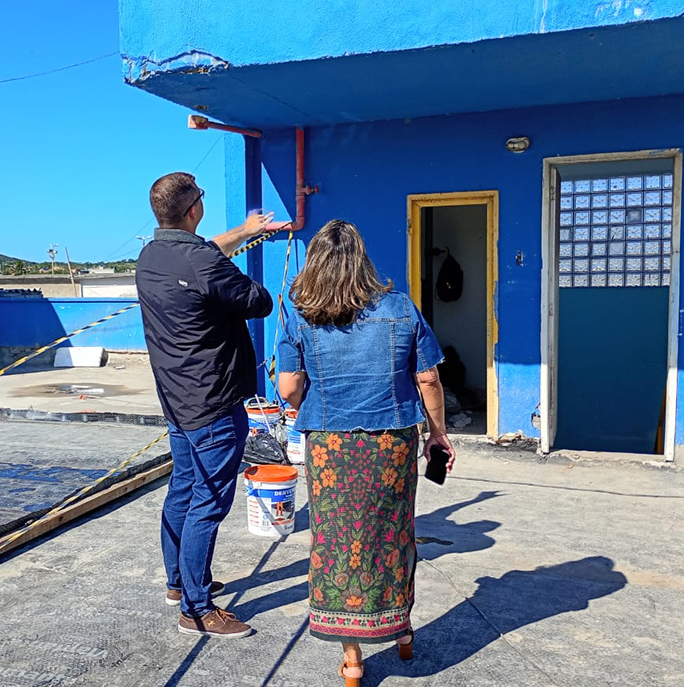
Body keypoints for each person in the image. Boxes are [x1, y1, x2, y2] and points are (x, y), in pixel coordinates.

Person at [276, 219, 455, 685]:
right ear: (363, 260)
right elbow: (429, 378)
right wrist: (437, 433)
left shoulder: (300, 312)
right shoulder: (399, 308)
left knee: (335, 541)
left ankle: (352, 660)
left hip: (329, 445)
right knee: (393, 535)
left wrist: (308, 409)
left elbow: (288, 386)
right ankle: (402, 633)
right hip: (391, 443)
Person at [136, 172, 274, 639]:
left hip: (177, 400)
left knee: (183, 488)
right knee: (208, 503)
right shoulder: (203, 263)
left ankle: (178, 583)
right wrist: (237, 257)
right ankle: (196, 609)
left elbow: (198, 253)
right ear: (195, 208)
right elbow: (259, 302)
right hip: (213, 402)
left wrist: (245, 231)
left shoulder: (151, 254)